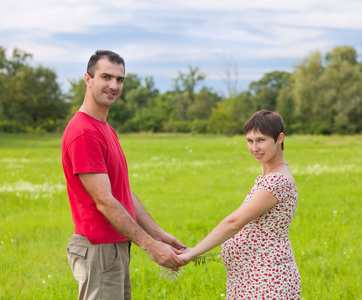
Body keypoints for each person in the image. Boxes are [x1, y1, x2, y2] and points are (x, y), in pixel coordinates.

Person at [61, 50, 185, 300]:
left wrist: (157, 234)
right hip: (99, 248)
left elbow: (121, 192)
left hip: (114, 247)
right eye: (106, 77)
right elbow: (105, 201)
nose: (113, 85)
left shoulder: (105, 128)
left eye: (120, 79)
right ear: (88, 78)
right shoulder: (84, 132)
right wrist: (151, 247)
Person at [178, 110, 301, 299]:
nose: (254, 147)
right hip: (251, 277)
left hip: (267, 279)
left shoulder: (277, 181)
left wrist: (192, 254)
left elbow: (234, 222)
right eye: (249, 141)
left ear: (280, 138)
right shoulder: (268, 177)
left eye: (261, 140)